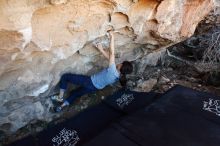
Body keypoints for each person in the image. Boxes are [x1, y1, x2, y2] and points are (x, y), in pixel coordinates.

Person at [51, 31, 133, 112]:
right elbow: (111, 59)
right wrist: (101, 49)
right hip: (94, 88)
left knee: (65, 77)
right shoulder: (118, 75)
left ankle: (60, 97)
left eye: (122, 63)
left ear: (121, 66)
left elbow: (112, 54)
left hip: (89, 81)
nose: (120, 62)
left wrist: (112, 37)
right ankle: (61, 107)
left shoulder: (113, 70)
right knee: (75, 94)